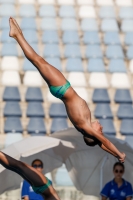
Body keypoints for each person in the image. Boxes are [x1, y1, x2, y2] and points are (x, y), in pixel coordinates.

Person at [8, 17, 125, 163]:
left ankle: (17, 36)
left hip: (62, 88)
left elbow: (105, 142)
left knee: (38, 61)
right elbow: (102, 144)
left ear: (96, 132)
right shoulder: (86, 127)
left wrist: (119, 154)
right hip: (62, 90)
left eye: (100, 129)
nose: (100, 125)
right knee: (39, 62)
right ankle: (18, 35)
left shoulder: (87, 127)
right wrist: (116, 155)